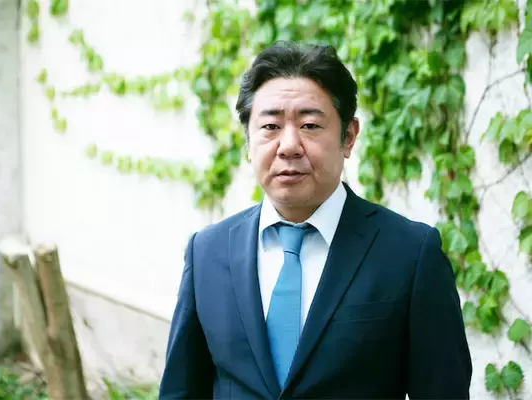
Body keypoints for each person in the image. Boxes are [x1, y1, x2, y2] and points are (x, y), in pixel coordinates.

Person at [159, 41, 472, 399]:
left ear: (348, 137)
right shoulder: (207, 251)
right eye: (270, 126)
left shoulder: (411, 255)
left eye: (309, 125)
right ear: (247, 140)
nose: (289, 145)